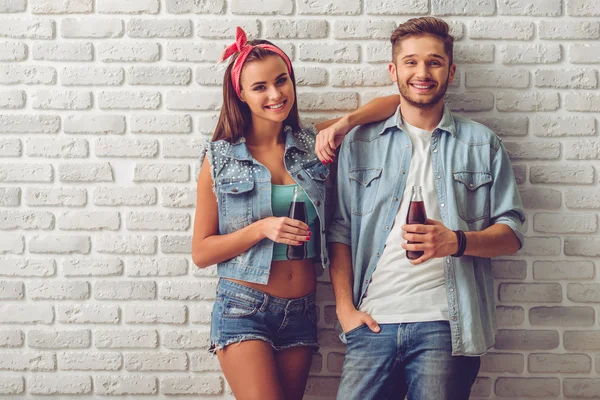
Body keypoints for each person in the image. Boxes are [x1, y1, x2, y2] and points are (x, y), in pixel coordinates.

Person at [191, 27, 398, 400]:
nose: (275, 94)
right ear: (241, 95)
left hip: (301, 310)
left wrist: (344, 124)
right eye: (260, 87)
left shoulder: (309, 144)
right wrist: (261, 228)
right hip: (244, 307)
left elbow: (394, 103)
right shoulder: (220, 158)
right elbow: (202, 252)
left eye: (281, 80)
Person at [327, 17, 526, 400]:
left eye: (434, 62)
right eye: (411, 62)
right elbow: (340, 231)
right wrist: (344, 310)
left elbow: (512, 234)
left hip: (446, 325)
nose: (423, 72)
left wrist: (456, 241)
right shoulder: (359, 144)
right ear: (394, 70)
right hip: (372, 321)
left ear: (450, 71)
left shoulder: (482, 144)